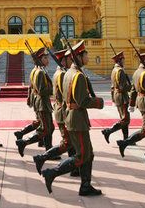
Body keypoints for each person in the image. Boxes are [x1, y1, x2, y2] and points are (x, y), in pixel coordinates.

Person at [41, 41, 104, 196]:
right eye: (85, 54)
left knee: (88, 153)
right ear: (80, 57)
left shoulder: (69, 73)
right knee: (83, 155)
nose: (87, 56)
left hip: (73, 118)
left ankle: (86, 185)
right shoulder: (78, 76)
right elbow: (82, 101)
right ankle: (52, 173)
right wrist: (98, 102)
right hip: (77, 120)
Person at [33, 49, 78, 176]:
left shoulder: (60, 72)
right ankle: (43, 159)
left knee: (69, 142)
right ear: (63, 60)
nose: (71, 61)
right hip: (63, 109)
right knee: (68, 142)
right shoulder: (62, 74)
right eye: (69, 59)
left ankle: (73, 167)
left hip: (61, 108)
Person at [117, 52, 145, 157]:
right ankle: (125, 143)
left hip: (141, 102)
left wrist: (132, 104)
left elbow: (133, 90)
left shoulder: (137, 72)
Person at [16, 47, 55, 156]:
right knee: (46, 128)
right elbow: (42, 90)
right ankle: (24, 142)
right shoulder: (40, 73)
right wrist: (54, 89)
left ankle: (48, 149)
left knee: (48, 127)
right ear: (40, 60)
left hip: (41, 103)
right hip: (42, 103)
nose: (48, 60)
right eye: (45, 58)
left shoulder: (37, 70)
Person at [102, 51, 132, 144]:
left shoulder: (114, 70)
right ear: (120, 60)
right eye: (123, 59)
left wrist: (113, 98)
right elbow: (123, 87)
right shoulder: (120, 71)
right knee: (125, 119)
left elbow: (112, 87)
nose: (124, 61)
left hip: (117, 96)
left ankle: (126, 138)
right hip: (122, 96)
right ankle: (108, 131)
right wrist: (132, 87)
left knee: (123, 118)